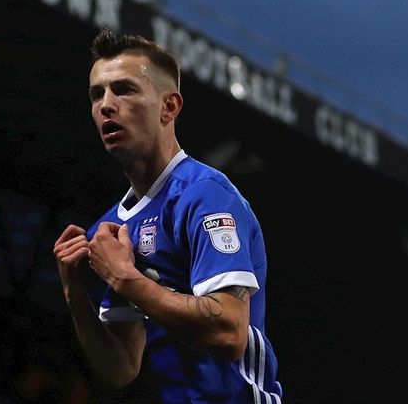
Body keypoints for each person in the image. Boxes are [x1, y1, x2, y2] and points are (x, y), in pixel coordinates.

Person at [53, 28, 283, 403]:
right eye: (97, 94)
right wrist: (74, 293)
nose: (106, 105)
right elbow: (121, 367)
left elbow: (230, 333)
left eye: (124, 89)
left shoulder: (205, 195)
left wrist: (125, 278)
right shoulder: (110, 230)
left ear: (169, 107)